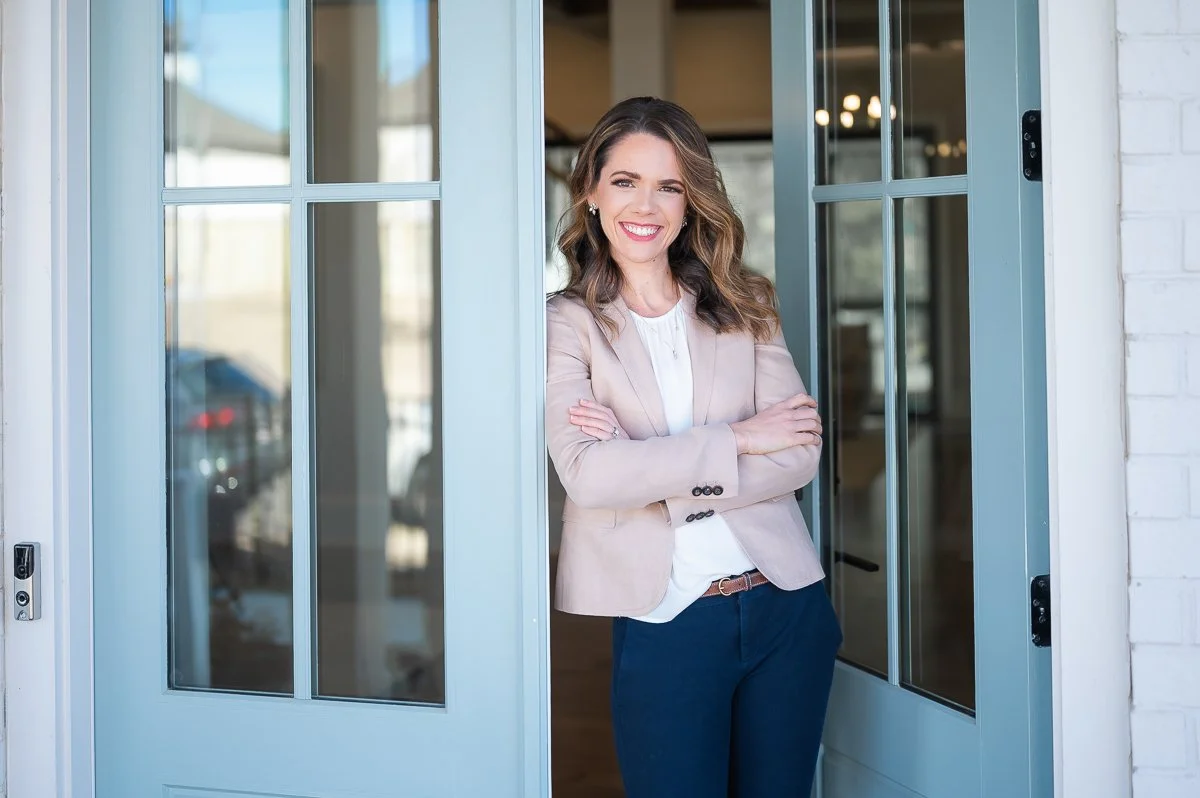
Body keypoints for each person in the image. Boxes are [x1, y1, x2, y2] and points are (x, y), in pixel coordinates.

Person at [545, 96, 843, 797]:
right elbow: (588, 478)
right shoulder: (567, 324)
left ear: (690, 202)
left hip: (785, 610)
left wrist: (644, 467)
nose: (645, 204)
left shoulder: (746, 305)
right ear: (591, 190)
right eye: (625, 181)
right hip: (667, 618)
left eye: (669, 185)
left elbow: (799, 452)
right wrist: (740, 438)